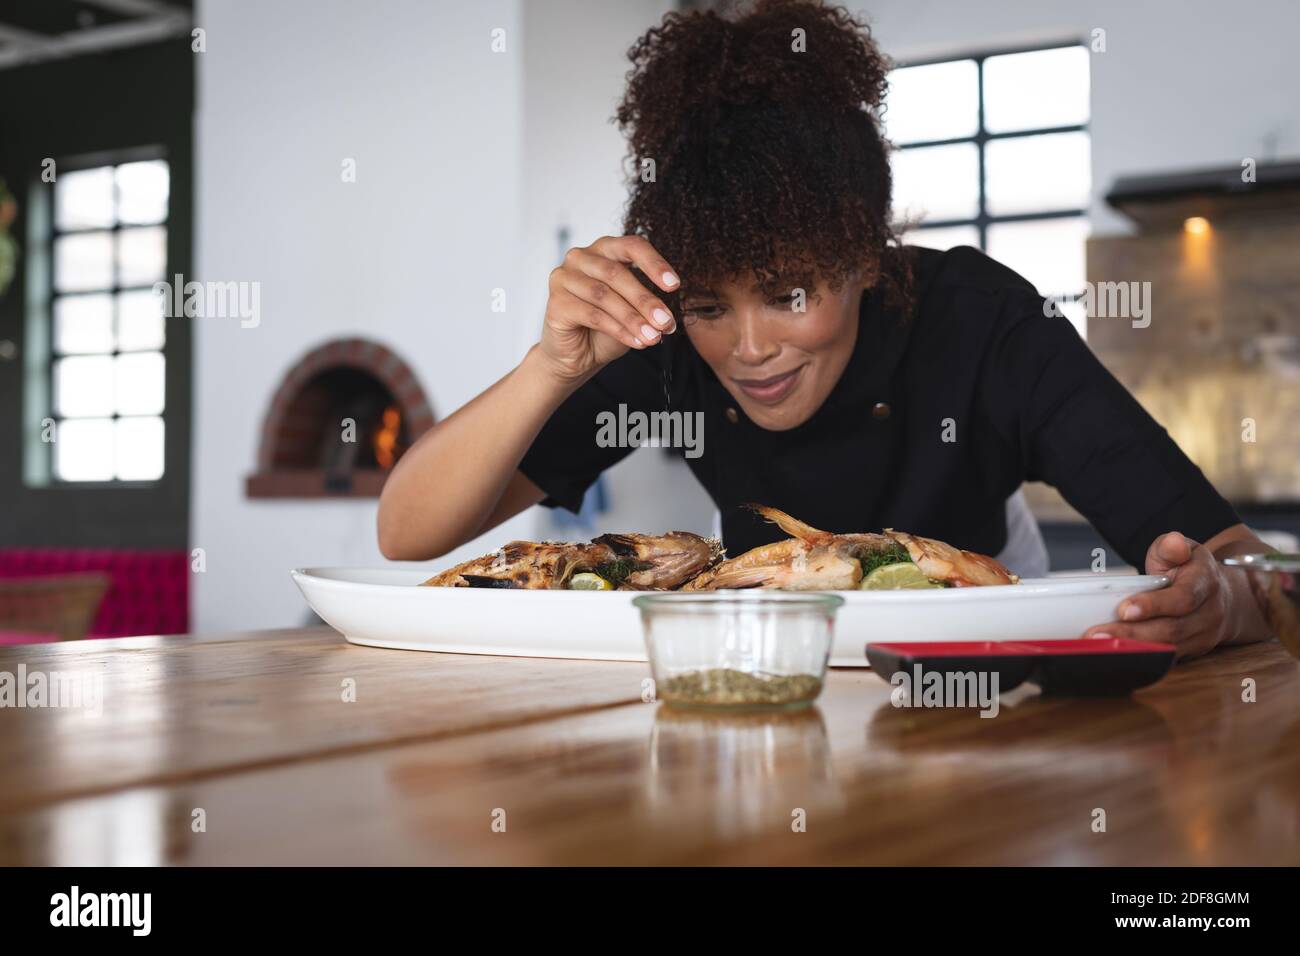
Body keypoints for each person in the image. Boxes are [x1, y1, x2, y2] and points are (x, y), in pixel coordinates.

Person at [379, 0, 1273, 658]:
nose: (749, 347)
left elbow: (1241, 557)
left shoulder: (981, 316)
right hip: (765, 664)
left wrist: (1222, 603)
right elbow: (407, 532)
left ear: (864, 258)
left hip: (977, 659)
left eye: (789, 293)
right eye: (711, 307)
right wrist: (550, 366)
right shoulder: (661, 335)